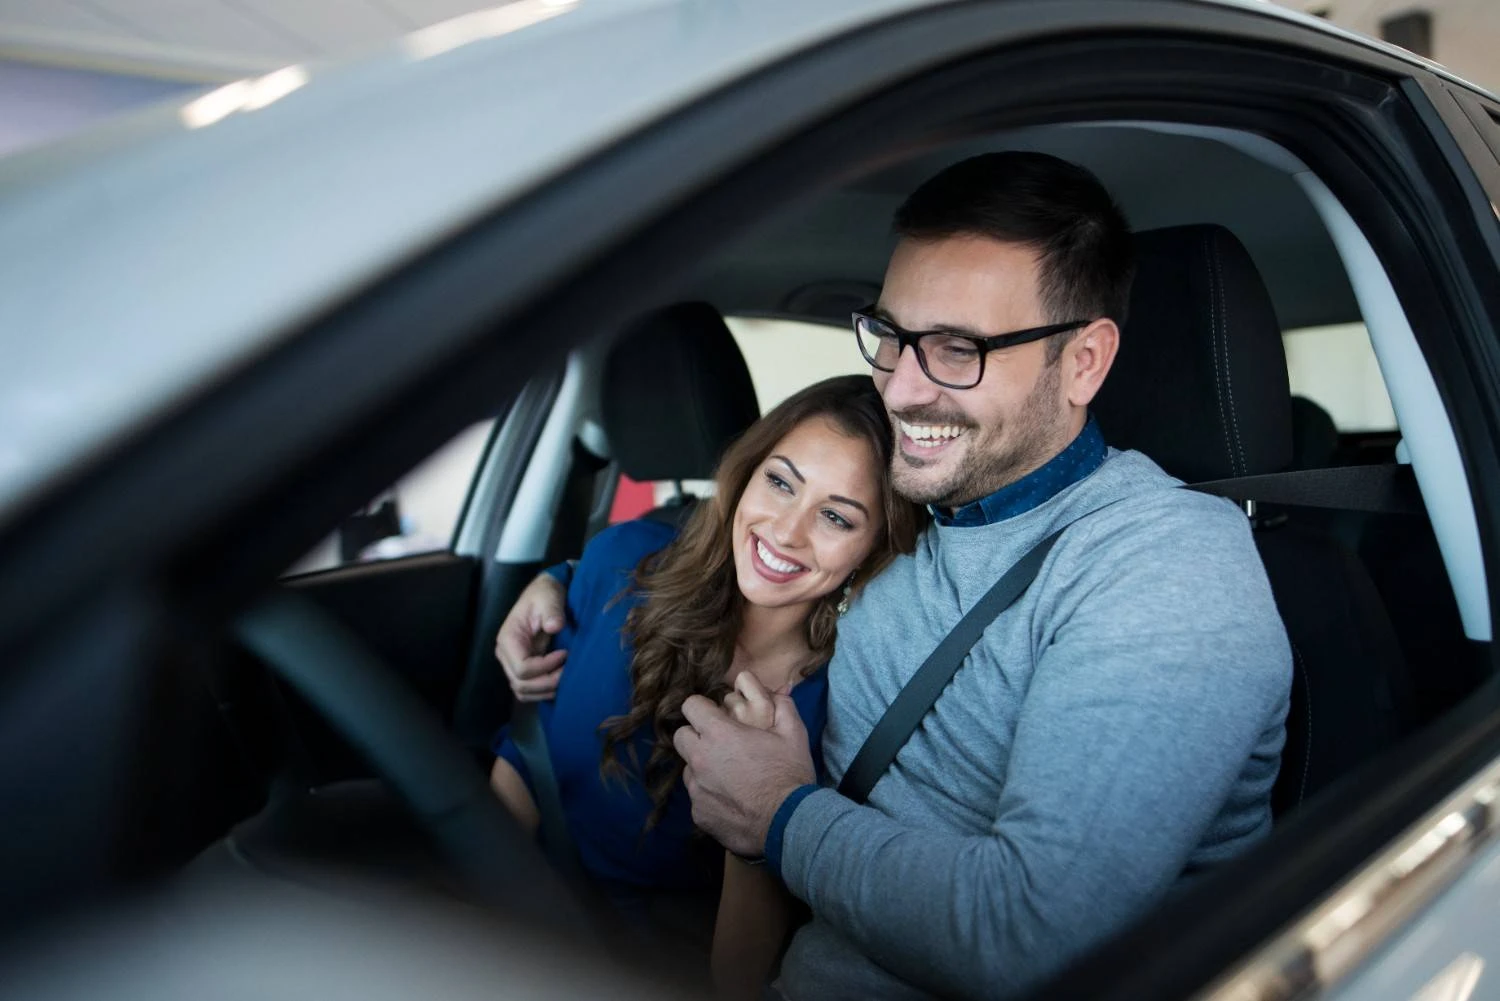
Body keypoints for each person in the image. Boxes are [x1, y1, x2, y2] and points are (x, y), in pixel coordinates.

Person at [662, 152, 1294, 1000]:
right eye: (891, 336)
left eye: (959, 349)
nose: (903, 389)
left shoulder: (1169, 566)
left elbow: (1032, 939)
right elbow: (745, 529)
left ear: (1084, 362)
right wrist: (560, 580)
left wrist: (781, 817)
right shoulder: (915, 504)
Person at [489, 375, 925, 996]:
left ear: (875, 549)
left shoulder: (834, 709)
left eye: (834, 516)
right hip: (503, 918)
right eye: (780, 482)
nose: (785, 531)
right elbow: (522, 755)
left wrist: (764, 807)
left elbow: (739, 977)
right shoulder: (620, 560)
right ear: (747, 474)